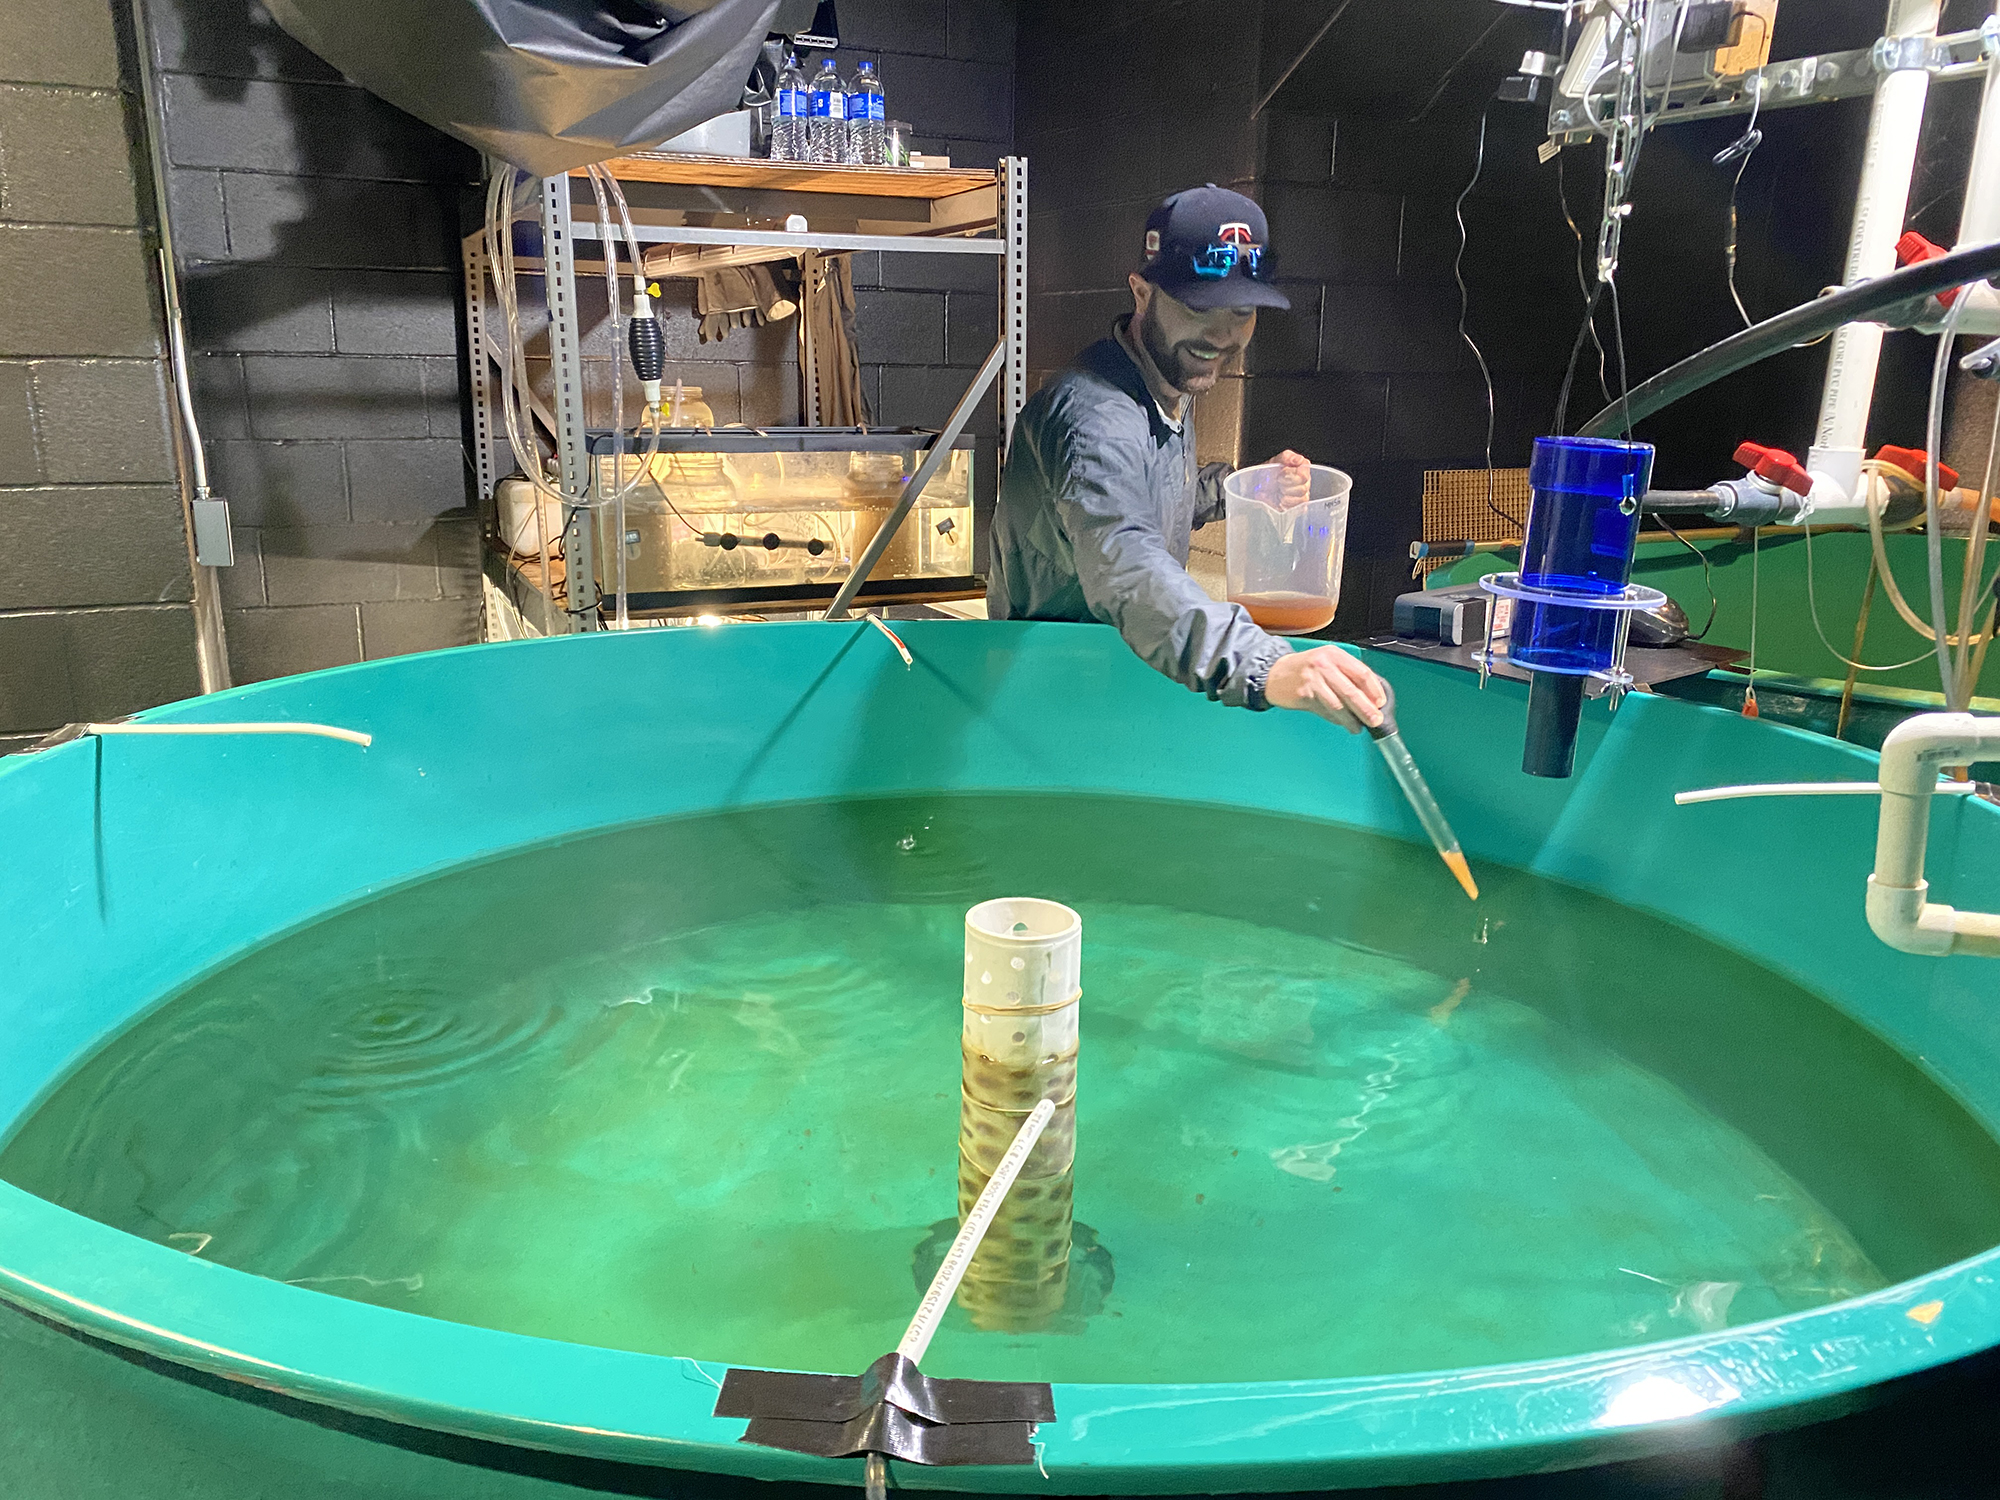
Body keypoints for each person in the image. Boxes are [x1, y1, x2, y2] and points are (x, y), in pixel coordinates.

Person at [987, 185, 1387, 732]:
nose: (1222, 334)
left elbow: (1151, 496)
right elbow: (1127, 563)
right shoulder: (1094, 419)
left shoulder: (1165, 378)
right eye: (1200, 306)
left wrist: (1242, 489)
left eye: (1242, 310)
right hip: (1051, 698)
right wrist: (1267, 666)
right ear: (1142, 292)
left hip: (1113, 674)